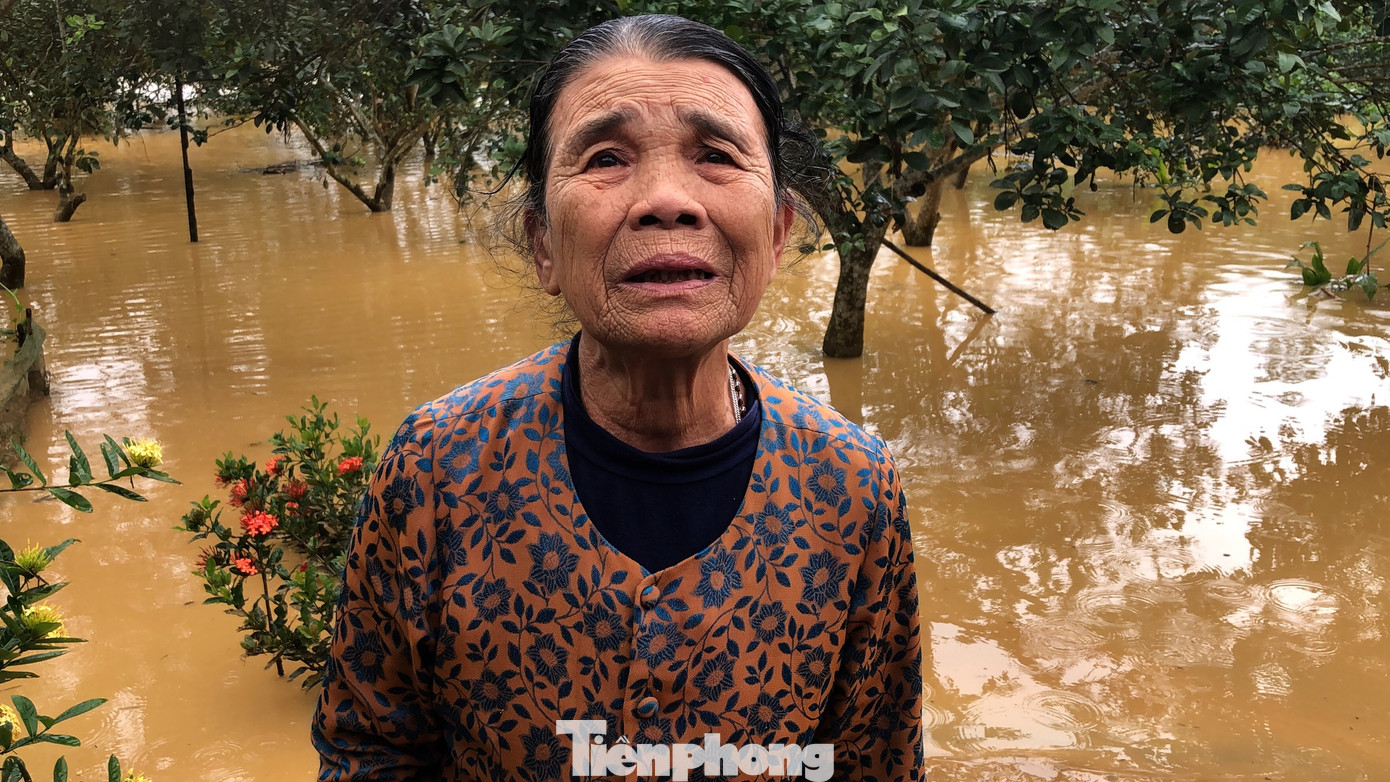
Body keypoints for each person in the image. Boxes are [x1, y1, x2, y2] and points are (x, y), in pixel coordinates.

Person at [313, 14, 923, 781]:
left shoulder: (853, 485)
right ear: (542, 245)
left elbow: (877, 760)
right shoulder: (435, 467)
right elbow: (371, 749)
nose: (667, 201)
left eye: (715, 156)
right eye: (606, 158)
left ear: (774, 235)